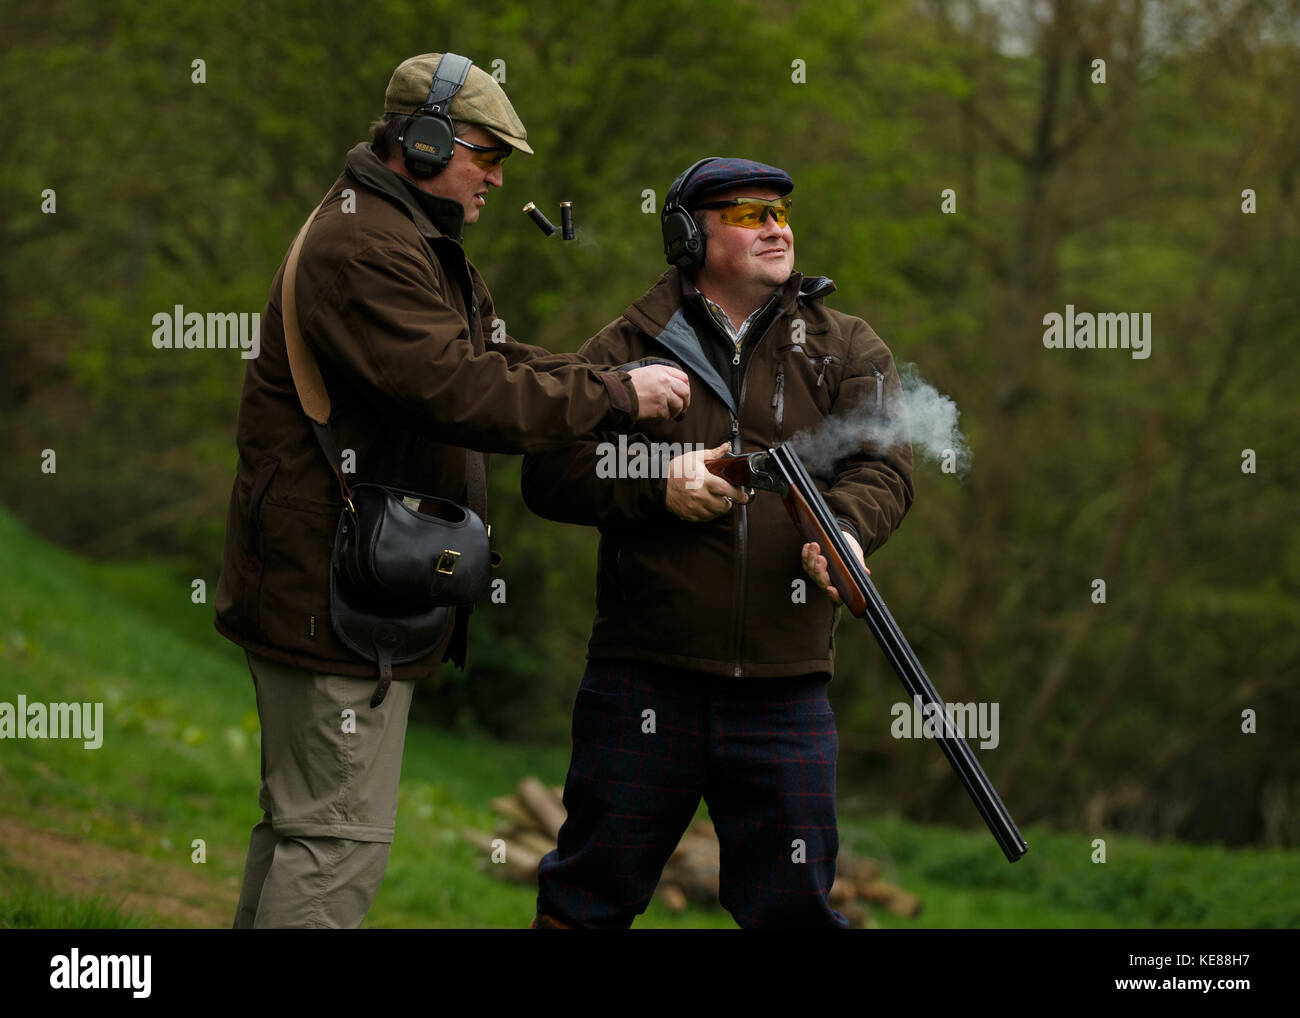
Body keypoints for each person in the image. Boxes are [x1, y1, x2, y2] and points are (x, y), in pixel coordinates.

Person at [214, 52, 689, 929]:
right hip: (331, 592)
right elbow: (458, 391)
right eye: (487, 155)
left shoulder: (396, 234)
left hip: (327, 583)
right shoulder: (368, 247)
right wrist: (617, 395)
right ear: (423, 141)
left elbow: (485, 359)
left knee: (307, 830)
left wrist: (604, 375)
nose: (498, 179)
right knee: (337, 844)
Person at [520, 156, 915, 928]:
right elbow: (552, 473)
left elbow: (884, 467)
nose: (776, 227)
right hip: (644, 678)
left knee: (793, 913)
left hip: (786, 686)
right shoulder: (628, 344)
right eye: (747, 214)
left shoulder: (846, 347)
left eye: (781, 210)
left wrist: (845, 529)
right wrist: (657, 485)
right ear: (687, 235)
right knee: (585, 901)